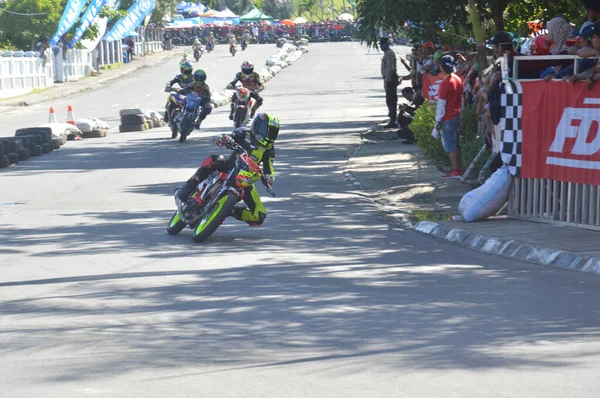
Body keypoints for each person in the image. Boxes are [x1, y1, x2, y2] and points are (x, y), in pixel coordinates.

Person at [175, 113, 280, 226]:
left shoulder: (268, 149)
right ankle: (184, 191)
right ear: (257, 125)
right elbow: (231, 136)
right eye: (266, 130)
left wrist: (269, 177)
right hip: (229, 167)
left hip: (245, 179)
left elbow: (269, 165)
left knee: (259, 216)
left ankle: (228, 210)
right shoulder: (244, 132)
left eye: (272, 132)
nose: (269, 135)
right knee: (215, 160)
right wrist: (224, 138)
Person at [435, 55, 463, 179]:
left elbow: (441, 105)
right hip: (457, 114)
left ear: (441, 67)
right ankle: (458, 169)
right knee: (456, 143)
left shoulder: (445, 83)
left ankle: (455, 170)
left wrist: (438, 120)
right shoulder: (457, 79)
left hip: (447, 117)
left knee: (450, 145)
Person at [380, 37, 399, 128]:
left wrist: (387, 81)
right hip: (389, 78)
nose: (381, 46)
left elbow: (390, 69)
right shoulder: (387, 53)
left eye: (382, 44)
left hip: (390, 79)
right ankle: (392, 118)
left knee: (391, 100)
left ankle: (393, 119)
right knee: (389, 99)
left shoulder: (389, 54)